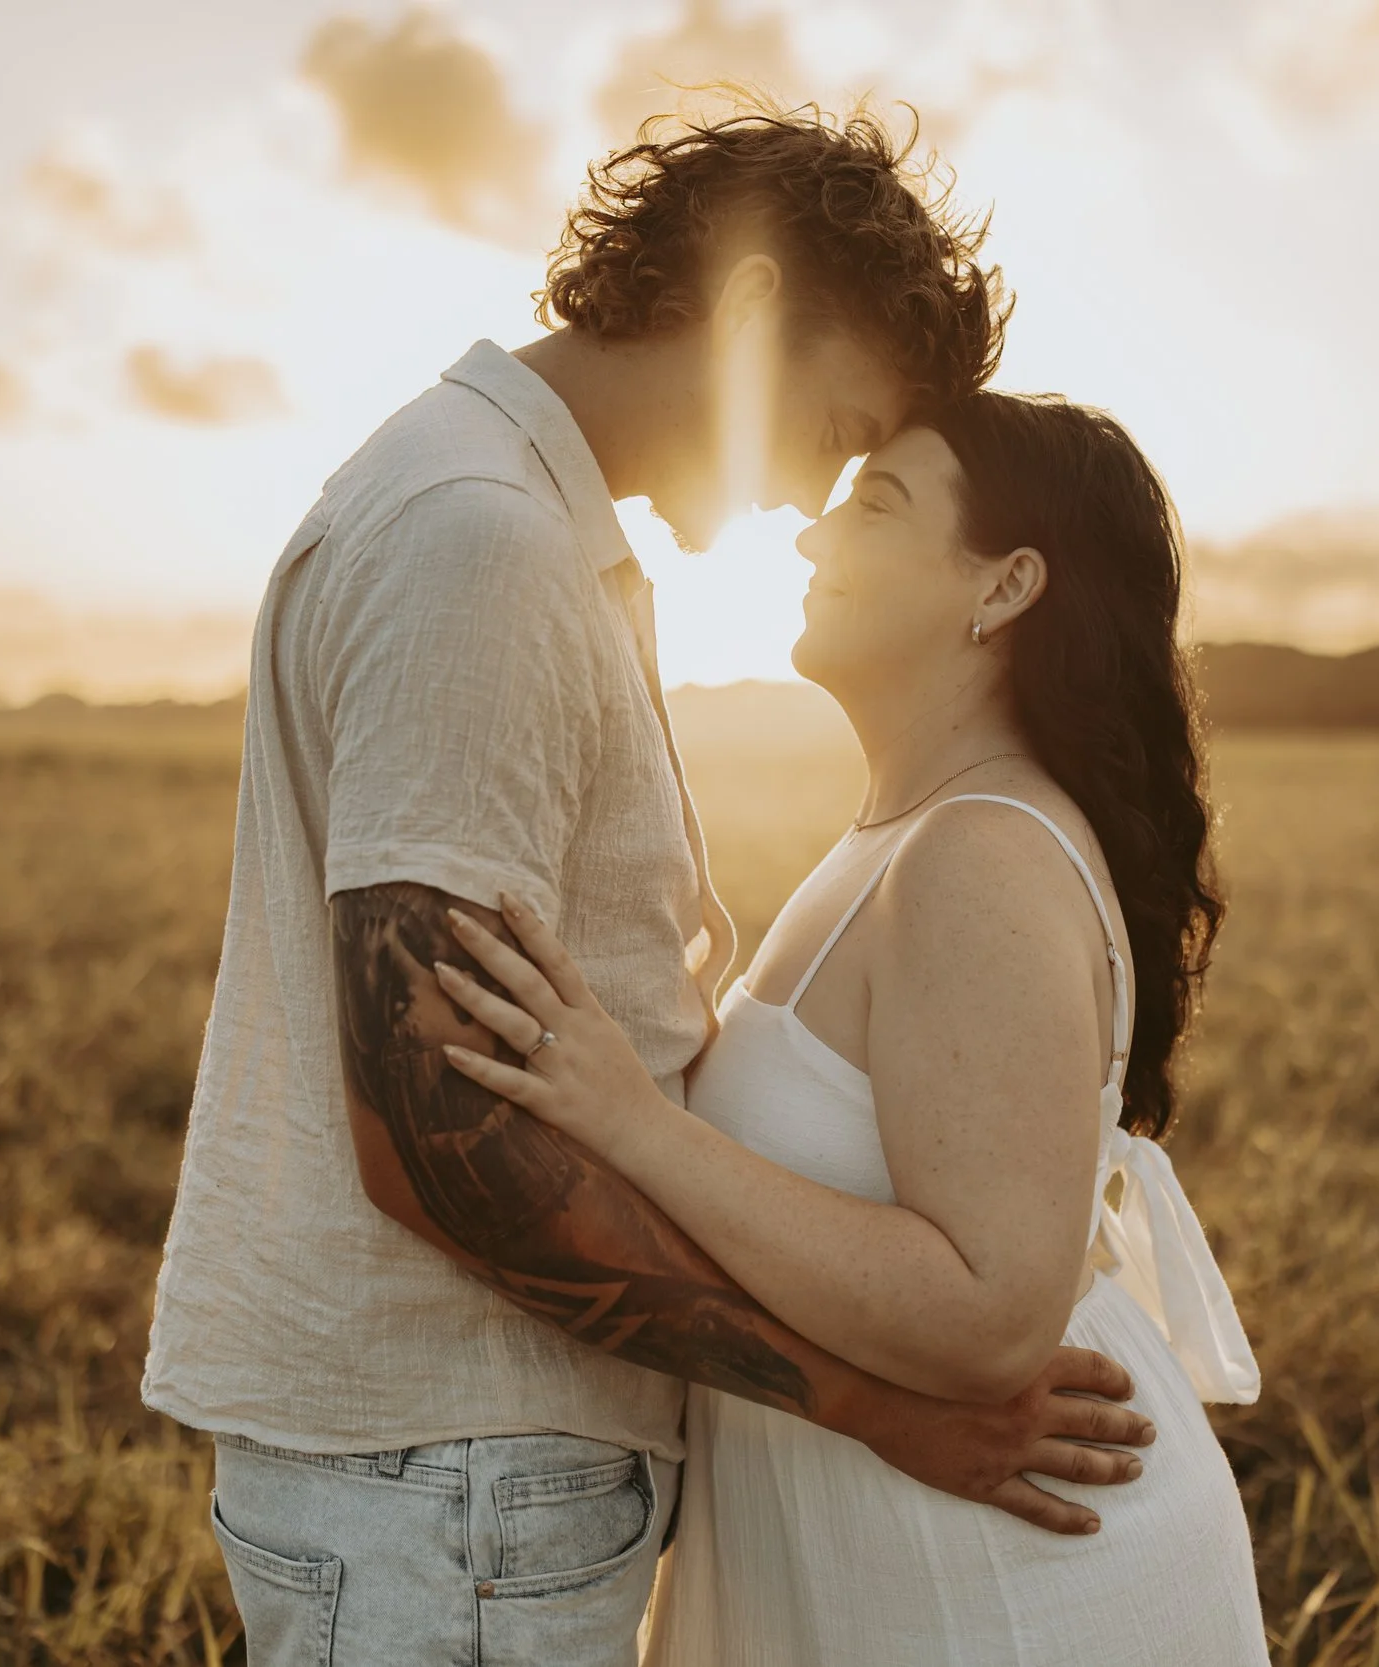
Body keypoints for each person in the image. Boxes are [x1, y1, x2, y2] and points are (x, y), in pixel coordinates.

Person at [140, 109, 1158, 1667]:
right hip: (453, 1461)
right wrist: (872, 1401)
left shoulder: (506, 515)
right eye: (835, 423)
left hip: (462, 1468)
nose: (812, 491)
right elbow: (441, 1129)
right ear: (749, 315)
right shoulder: (478, 542)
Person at [438, 390, 1271, 1665]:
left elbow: (993, 1314)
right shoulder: (901, 833)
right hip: (899, 1542)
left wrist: (631, 1121)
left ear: (1003, 588)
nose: (812, 543)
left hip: (1004, 1585)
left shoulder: (976, 852)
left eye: (873, 508)